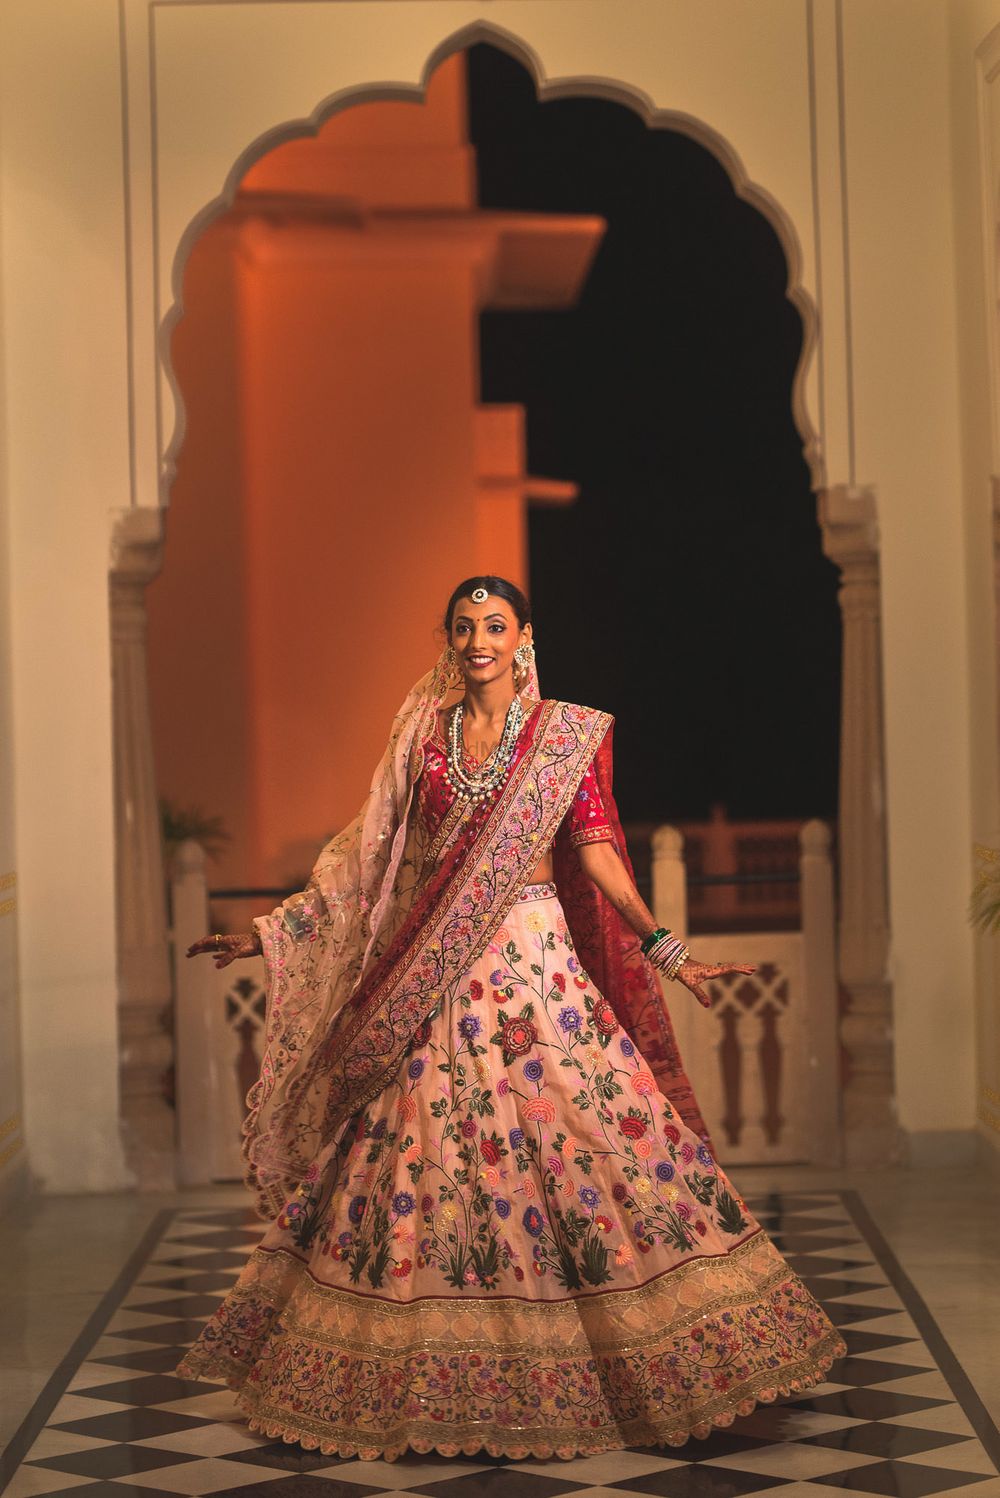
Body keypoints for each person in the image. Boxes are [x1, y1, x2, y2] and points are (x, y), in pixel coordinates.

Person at [177, 575, 845, 1460]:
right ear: (449, 640)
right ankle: (405, 1367)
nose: (480, 640)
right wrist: (275, 932)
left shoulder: (563, 737)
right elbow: (371, 861)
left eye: (496, 625)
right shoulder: (425, 740)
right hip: (438, 982)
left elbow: (599, 854)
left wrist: (668, 950)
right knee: (421, 1149)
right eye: (464, 627)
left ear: (524, 634)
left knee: (588, 1129)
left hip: (534, 966)